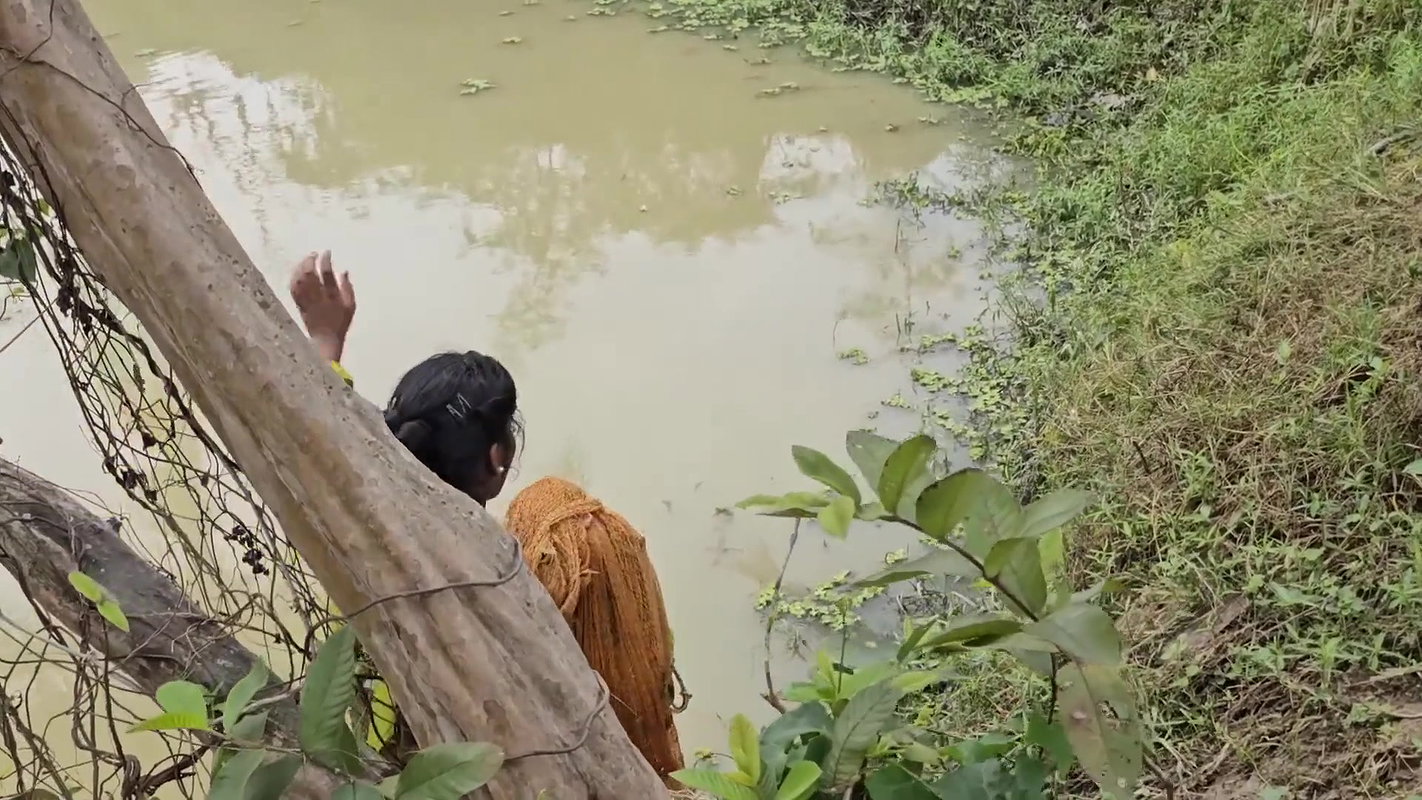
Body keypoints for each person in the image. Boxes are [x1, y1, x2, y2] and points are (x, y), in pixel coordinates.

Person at [288, 251, 685, 780]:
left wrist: (324, 340)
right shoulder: (499, 571)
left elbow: (316, 439)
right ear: (497, 457)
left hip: (390, 753)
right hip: (489, 769)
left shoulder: (364, 522)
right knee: (563, 510)